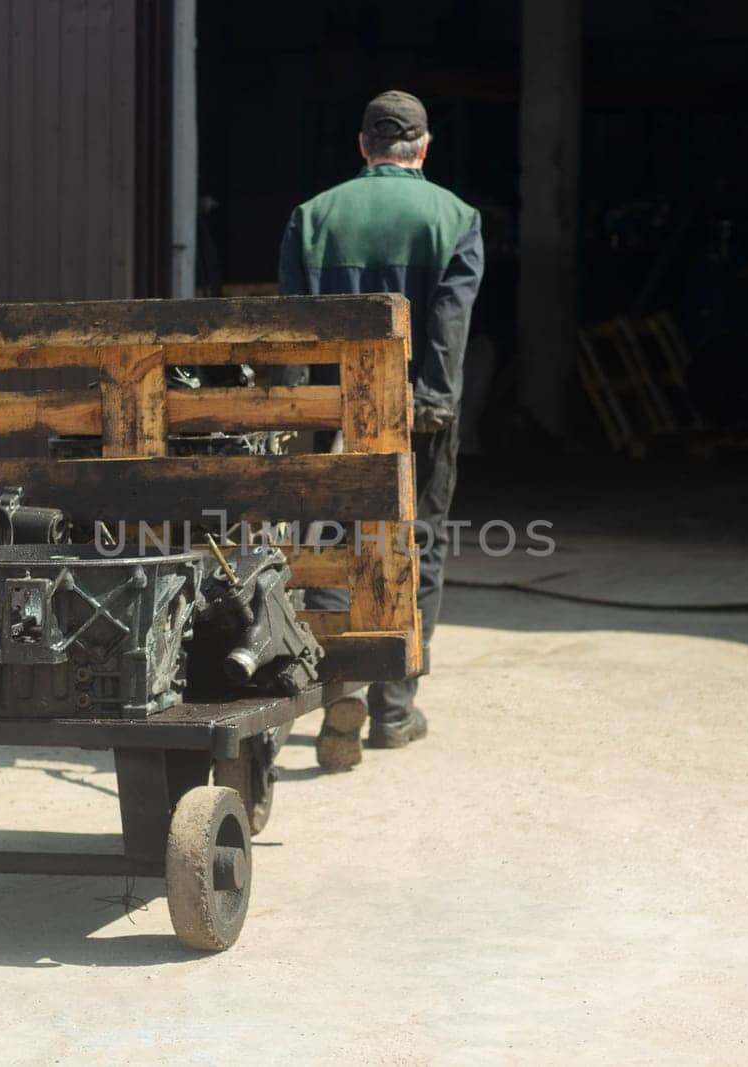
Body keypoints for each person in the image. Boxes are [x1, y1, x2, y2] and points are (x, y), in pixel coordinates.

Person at [277, 90, 484, 764]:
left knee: (339, 546)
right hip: (418, 417)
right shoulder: (457, 217)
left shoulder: (312, 218)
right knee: (415, 549)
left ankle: (342, 681)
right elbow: (449, 331)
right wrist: (430, 402)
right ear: (423, 149)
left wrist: (308, 413)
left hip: (334, 418)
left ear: (363, 147)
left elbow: (291, 337)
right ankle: (396, 709)